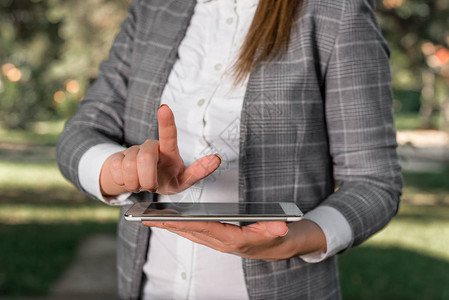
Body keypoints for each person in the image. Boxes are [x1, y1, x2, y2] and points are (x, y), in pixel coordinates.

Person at [56, 0, 402, 299]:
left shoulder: (336, 11)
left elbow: (374, 183)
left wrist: (296, 238)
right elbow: (80, 134)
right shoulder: (152, 8)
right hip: (150, 289)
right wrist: (122, 170)